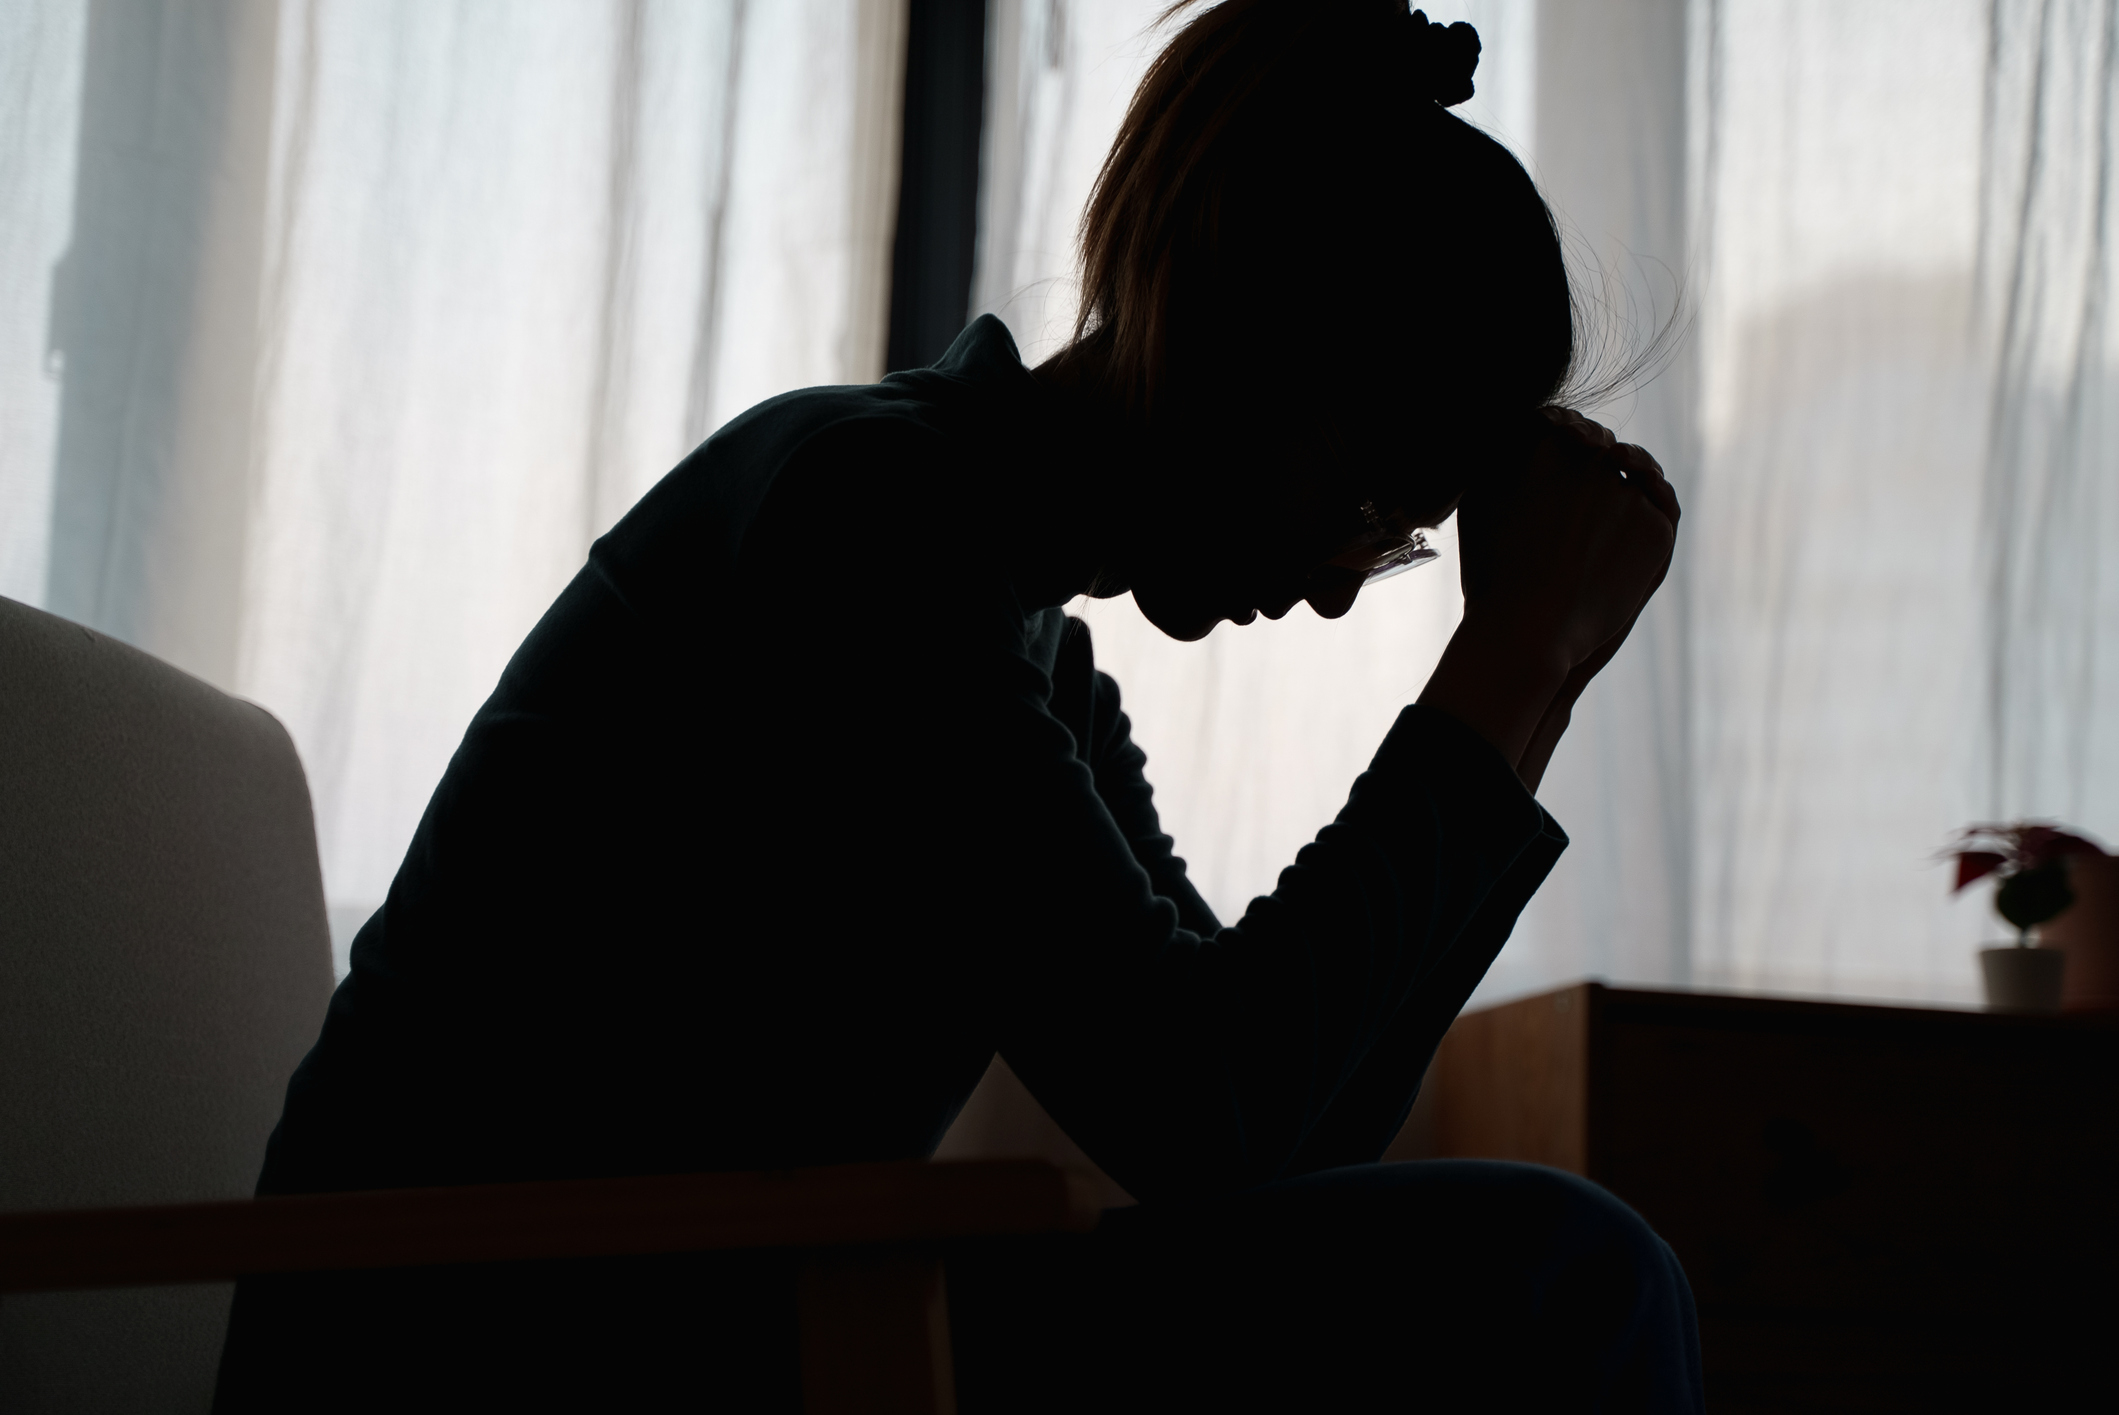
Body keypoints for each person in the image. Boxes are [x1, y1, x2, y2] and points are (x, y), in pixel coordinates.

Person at [215, 1, 1699, 1409]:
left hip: (688, 1320)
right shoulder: (865, 520)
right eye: (1367, 497)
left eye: (1394, 541)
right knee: (1564, 1285)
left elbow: (1264, 1133)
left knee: (1544, 1282)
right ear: (1242, 340)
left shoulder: (1023, 642)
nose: (1333, 587)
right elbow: (1207, 1110)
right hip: (492, 1347)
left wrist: (1536, 686)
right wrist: (1502, 670)